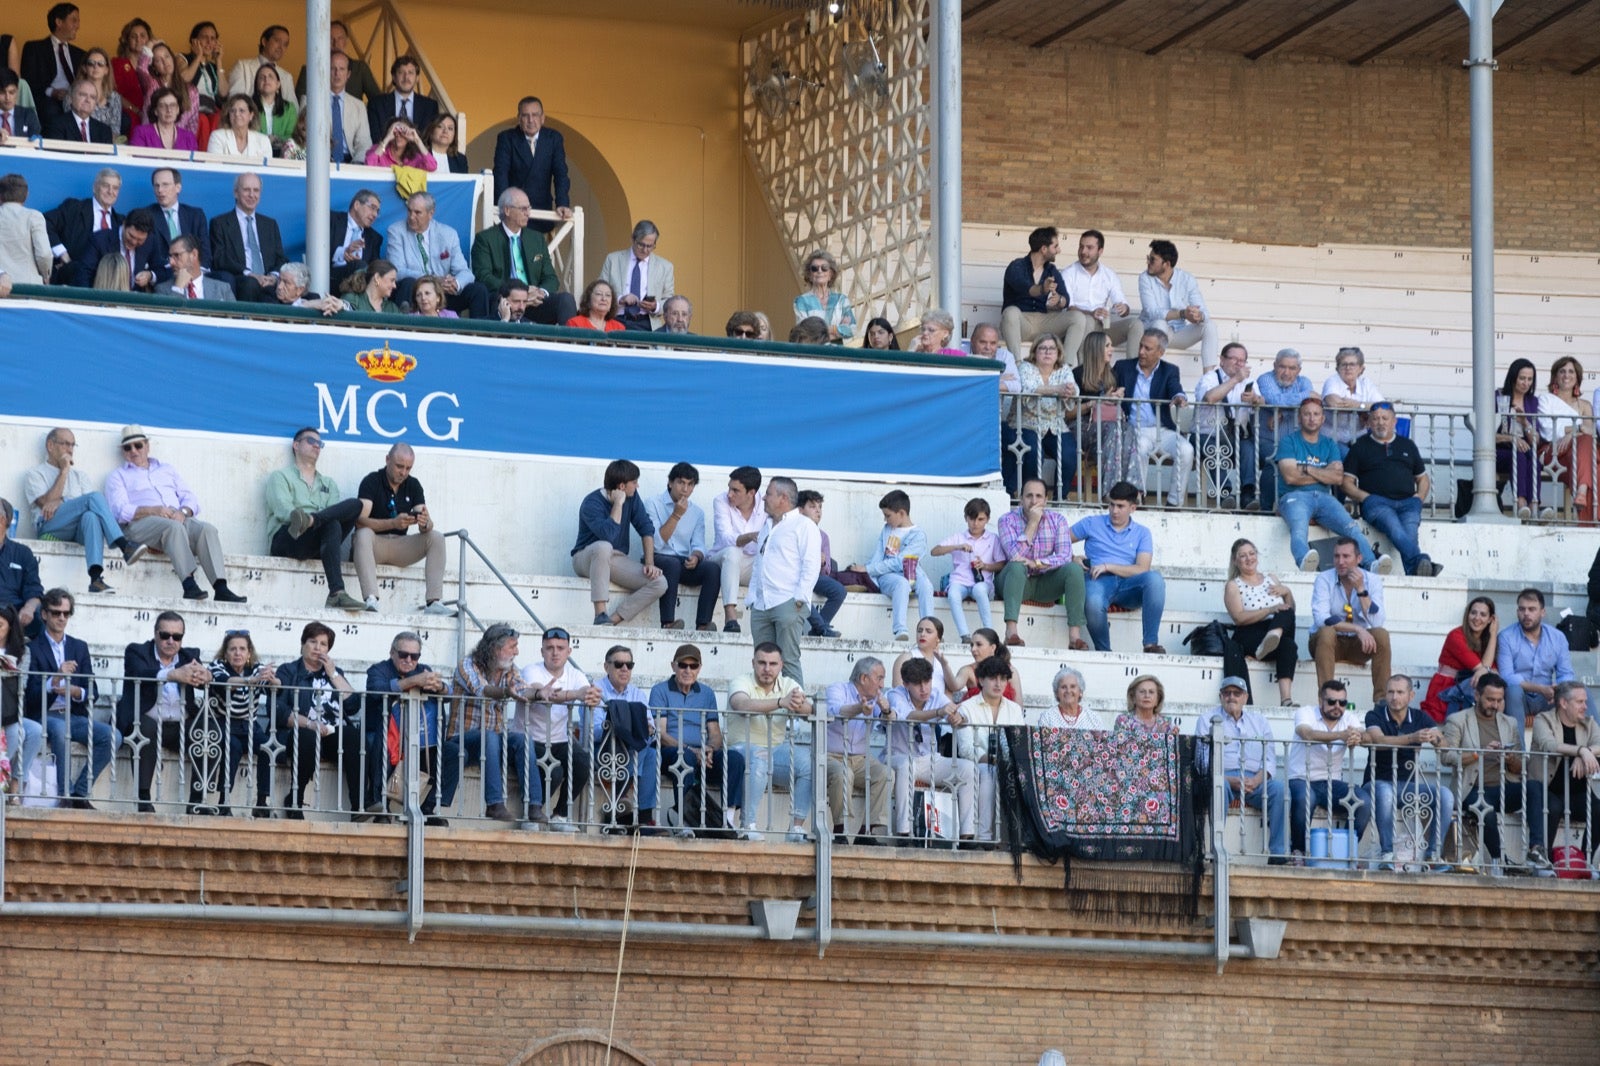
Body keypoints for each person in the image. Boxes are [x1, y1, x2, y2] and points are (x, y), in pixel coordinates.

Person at [104, 425, 247, 602]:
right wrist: (153, 510)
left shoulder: (166, 469)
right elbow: (119, 511)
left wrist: (183, 512)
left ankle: (221, 588)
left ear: (147, 446)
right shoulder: (117, 476)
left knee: (207, 529)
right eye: (128, 447)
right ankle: (189, 585)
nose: (133, 451)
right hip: (140, 523)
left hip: (174, 516)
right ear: (124, 452)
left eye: (138, 445)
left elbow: (190, 498)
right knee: (173, 528)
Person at [273, 620, 386, 821]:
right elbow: (279, 711)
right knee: (307, 736)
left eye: (323, 644)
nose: (318, 648)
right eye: (313, 642)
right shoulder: (288, 671)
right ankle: (295, 800)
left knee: (354, 737)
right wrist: (310, 723)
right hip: (301, 732)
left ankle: (359, 804)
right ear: (303, 644)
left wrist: (332, 674)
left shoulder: (335, 673)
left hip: (332, 734)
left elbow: (352, 705)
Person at [1441, 672, 1552, 873]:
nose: (1495, 705)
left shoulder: (1508, 722)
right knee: (1485, 807)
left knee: (1535, 788)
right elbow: (1447, 756)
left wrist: (1509, 759)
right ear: (1477, 696)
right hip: (1471, 789)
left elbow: (1521, 764)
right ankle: (1498, 861)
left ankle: (1536, 849)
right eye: (1490, 699)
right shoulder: (1457, 720)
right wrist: (1479, 754)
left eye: (1499, 700)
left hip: (1503, 787)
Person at [25, 588, 119, 807]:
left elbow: (91, 688)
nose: (61, 618)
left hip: (73, 714)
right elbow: (29, 694)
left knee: (113, 736)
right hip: (42, 715)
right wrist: (54, 681)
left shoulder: (79, 646)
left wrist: (78, 692)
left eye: (66, 613)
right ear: (44, 614)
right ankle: (65, 795)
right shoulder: (32, 648)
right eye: (56, 612)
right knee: (59, 730)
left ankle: (80, 793)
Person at [24, 426, 147, 594]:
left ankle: (95, 579)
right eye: (65, 444)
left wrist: (62, 501)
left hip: (77, 529)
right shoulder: (35, 474)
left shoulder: (80, 477)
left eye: (73, 445)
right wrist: (64, 470)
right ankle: (124, 545)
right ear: (50, 445)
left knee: (91, 516)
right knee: (93, 497)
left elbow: (91, 507)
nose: (70, 449)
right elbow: (46, 504)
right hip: (49, 526)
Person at [264, 427, 373, 611]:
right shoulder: (280, 476)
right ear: (296, 445)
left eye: (320, 443)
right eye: (311, 441)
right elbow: (283, 511)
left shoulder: (329, 484)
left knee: (355, 506)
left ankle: (336, 594)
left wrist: (313, 520)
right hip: (288, 537)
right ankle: (337, 592)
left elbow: (335, 514)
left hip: (317, 537)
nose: (317, 446)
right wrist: (301, 520)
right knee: (328, 523)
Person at [1275, 396, 1386, 573]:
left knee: (1352, 529)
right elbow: (1290, 477)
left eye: (1316, 414)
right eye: (1307, 414)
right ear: (1299, 418)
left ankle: (1371, 563)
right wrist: (1323, 473)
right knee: (1299, 530)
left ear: (1323, 418)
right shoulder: (1289, 441)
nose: (1312, 418)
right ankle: (1304, 560)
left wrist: (1306, 468)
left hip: (1325, 498)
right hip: (1295, 496)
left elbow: (1337, 478)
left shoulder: (1329, 444)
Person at [117, 611, 211, 813]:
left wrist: (206, 676)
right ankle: (143, 798)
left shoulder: (189, 656)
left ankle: (197, 801)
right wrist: (171, 674)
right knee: (146, 727)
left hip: (180, 724)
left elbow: (205, 682)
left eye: (177, 637)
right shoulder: (137, 651)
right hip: (147, 721)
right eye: (165, 635)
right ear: (155, 633)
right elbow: (139, 673)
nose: (171, 641)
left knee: (208, 732)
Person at [1195, 676, 1290, 863]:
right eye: (1227, 693)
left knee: (1280, 790)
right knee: (1218, 787)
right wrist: (1230, 780)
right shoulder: (1207, 720)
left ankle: (1278, 853)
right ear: (1221, 696)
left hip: (1254, 780)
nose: (1232, 697)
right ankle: (1217, 849)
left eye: (1236, 693)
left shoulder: (1260, 721)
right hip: (1222, 776)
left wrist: (1256, 780)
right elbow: (1202, 762)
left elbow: (1269, 760)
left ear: (1245, 697)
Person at [727, 642, 816, 842]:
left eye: (773, 664)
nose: (767, 669)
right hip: (740, 749)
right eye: (762, 663)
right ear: (753, 663)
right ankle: (747, 825)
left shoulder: (788, 685)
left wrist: (799, 705)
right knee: (760, 758)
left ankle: (795, 829)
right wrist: (780, 702)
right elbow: (741, 704)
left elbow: (809, 710)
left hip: (775, 750)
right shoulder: (741, 681)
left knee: (809, 765)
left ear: (781, 665)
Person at [652, 644, 744, 834]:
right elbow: (660, 734)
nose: (687, 670)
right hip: (672, 752)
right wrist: (692, 750)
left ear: (699, 668)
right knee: (685, 757)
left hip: (701, 754)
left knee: (734, 760)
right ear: (673, 666)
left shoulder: (707, 693)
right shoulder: (660, 690)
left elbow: (715, 732)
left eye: (693, 666)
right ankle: (686, 823)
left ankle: (727, 820)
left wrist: (710, 748)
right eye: (683, 665)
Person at [352, 443, 453, 615]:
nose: (403, 472)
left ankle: (434, 602)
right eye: (400, 466)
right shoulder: (372, 481)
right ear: (387, 459)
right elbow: (360, 522)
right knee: (362, 534)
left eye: (408, 468)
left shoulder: (413, 485)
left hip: (401, 546)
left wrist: (425, 522)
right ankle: (371, 598)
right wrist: (392, 523)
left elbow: (425, 524)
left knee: (436, 537)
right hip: (374, 545)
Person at [1365, 675, 1453, 870]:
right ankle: (1387, 854)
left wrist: (1435, 738)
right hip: (1376, 783)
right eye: (1390, 692)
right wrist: (1412, 737)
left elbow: (1445, 746)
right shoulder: (1375, 714)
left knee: (1444, 795)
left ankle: (1433, 855)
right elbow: (1378, 740)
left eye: (1400, 692)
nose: (1394, 697)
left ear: (1411, 695)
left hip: (1407, 787)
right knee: (1386, 792)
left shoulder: (1420, 716)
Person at [885, 656, 978, 845]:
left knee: (969, 768)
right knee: (905, 766)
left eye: (926, 681)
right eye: (917, 684)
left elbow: (957, 714)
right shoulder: (896, 694)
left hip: (929, 759)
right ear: (905, 684)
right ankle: (904, 833)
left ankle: (967, 835)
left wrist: (958, 718)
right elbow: (909, 716)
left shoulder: (935, 693)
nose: (924, 688)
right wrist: (939, 712)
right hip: (897, 756)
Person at [515, 627, 599, 830]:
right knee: (556, 770)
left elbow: (586, 692)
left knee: (583, 762)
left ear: (569, 651)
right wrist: (575, 694)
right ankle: (531, 815)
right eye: (549, 648)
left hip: (559, 738)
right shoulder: (531, 669)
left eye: (560, 648)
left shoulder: (575, 674)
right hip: (529, 738)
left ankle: (559, 815)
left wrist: (591, 694)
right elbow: (542, 692)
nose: (555, 652)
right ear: (541, 651)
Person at [1072, 481, 1168, 654]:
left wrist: (1108, 566)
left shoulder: (1142, 532)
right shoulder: (1092, 523)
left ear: (1133, 508)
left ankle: (1150, 644)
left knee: (1155, 580)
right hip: (1097, 580)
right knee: (1093, 602)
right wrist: (1072, 557)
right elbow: (1058, 540)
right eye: (1112, 505)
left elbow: (1142, 568)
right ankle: (1104, 652)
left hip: (1129, 584)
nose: (1114, 511)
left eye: (1120, 506)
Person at [1343, 401, 1437, 576]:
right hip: (1377, 504)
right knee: (1395, 528)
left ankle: (1415, 570)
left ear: (1394, 421)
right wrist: (1366, 497)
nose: (1380, 422)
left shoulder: (1407, 445)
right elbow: (1346, 482)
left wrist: (1419, 497)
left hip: (1409, 502)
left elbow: (1423, 478)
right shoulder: (1359, 447)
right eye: (1376, 419)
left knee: (1409, 534)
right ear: (1369, 423)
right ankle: (1422, 559)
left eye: (1385, 418)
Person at [441, 623, 524, 821]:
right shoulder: (467, 665)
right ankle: (495, 803)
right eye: (512, 647)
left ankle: (535, 806)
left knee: (521, 740)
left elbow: (522, 689)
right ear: (495, 649)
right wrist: (505, 692)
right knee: (489, 737)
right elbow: (482, 690)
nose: (517, 652)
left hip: (491, 743)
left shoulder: (510, 670)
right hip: (461, 739)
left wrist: (540, 693)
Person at [570, 459, 668, 626]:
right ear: (622, 486)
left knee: (660, 582)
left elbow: (646, 528)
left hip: (615, 558)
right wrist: (618, 503)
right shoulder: (591, 503)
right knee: (603, 546)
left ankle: (612, 620)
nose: (637, 486)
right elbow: (608, 535)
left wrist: (650, 563)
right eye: (634, 482)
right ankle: (600, 613)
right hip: (586, 558)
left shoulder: (633, 497)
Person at [364, 631, 447, 825]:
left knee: (450, 751)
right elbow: (377, 690)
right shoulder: (378, 670)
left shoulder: (424, 669)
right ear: (392, 652)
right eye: (403, 655)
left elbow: (448, 692)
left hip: (416, 734)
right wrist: (413, 682)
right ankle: (380, 807)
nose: (409, 660)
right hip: (382, 731)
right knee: (380, 742)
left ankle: (427, 809)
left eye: (414, 656)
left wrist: (440, 687)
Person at [996, 479, 1087, 650]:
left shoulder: (1057, 520)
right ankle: (1011, 632)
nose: (1034, 501)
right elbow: (1015, 556)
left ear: (1046, 500)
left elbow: (1065, 556)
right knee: (1017, 566)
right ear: (1020, 498)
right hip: (1015, 583)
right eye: (1029, 496)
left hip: (1045, 583)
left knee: (1074, 570)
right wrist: (1032, 523)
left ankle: (1074, 637)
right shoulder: (1006, 520)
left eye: (1039, 496)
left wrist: (1038, 563)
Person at [1286, 679, 1372, 860]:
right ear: (1320, 701)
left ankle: (1349, 851)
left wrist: (1359, 738)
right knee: (1303, 799)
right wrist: (1342, 735)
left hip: (1332, 782)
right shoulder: (1306, 712)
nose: (1337, 707)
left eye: (1342, 703)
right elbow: (1306, 734)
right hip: (1302, 778)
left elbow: (1368, 737)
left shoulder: (1348, 718)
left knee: (1363, 801)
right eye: (1331, 702)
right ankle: (1298, 852)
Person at [746, 476, 820, 684]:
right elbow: (758, 565)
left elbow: (811, 565)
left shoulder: (804, 525)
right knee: (762, 664)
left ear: (783, 498)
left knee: (788, 661)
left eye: (768, 494)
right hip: (761, 605)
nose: (763, 499)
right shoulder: (767, 527)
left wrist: (799, 598)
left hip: (788, 602)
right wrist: (753, 597)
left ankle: (795, 716)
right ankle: (765, 712)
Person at [1112, 330, 1194, 508]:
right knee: (1138, 448)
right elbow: (1108, 389)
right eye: (1141, 346)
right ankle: (1137, 499)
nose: (1141, 351)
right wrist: (1113, 394)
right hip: (1134, 428)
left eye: (1147, 348)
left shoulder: (1169, 370)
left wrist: (1180, 397)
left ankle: (1173, 503)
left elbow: (1175, 388)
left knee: (1186, 450)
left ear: (1160, 352)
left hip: (1162, 429)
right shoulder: (1123, 366)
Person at [470, 188, 576, 324]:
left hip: (535, 301)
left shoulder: (536, 239)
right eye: (523, 209)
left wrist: (541, 292)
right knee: (494, 300)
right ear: (507, 210)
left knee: (566, 299)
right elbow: (483, 276)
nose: (528, 213)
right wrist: (519, 294)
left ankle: (568, 344)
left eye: (529, 208)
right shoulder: (485, 239)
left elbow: (551, 277)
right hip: (505, 302)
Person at [641, 462, 722, 633]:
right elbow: (655, 542)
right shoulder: (652, 503)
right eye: (680, 482)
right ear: (670, 483)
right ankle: (668, 622)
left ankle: (703, 624)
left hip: (683, 562)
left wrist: (697, 556)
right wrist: (676, 515)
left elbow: (699, 544)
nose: (685, 489)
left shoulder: (697, 512)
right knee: (671, 564)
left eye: (690, 484)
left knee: (712, 569)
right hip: (657, 557)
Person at [1310, 537, 1391, 705]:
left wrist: (1361, 590)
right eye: (1336, 556)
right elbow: (1322, 619)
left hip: (1357, 646)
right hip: (1328, 643)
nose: (1340, 562)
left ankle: (1381, 701)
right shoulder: (1324, 579)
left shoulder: (1372, 580)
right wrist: (1358, 629)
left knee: (1381, 635)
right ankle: (1327, 699)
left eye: (1346, 556)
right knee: (1326, 632)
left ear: (1358, 559)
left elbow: (1377, 622)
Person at [205, 629, 278, 817]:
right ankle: (224, 802)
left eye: (242, 649)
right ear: (225, 652)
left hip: (249, 725)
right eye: (232, 649)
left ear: (249, 653)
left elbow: (271, 686)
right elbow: (225, 682)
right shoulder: (217, 666)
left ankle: (262, 802)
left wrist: (273, 680)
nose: (237, 653)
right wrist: (250, 680)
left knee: (268, 748)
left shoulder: (255, 668)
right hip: (222, 723)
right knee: (233, 747)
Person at [954, 655, 1027, 843]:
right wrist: (993, 759)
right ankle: (984, 837)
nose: (998, 683)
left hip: (1007, 764)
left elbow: (1018, 744)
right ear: (980, 680)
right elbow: (966, 750)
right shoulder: (966, 708)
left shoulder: (1014, 709)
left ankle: (1021, 839)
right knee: (988, 771)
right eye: (993, 678)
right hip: (978, 766)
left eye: (1003, 678)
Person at [592, 644, 663, 833]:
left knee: (652, 752)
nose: (624, 669)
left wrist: (640, 729)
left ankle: (641, 815)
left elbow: (651, 727)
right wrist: (625, 730)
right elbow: (596, 731)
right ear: (607, 667)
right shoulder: (596, 690)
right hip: (602, 749)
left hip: (630, 749)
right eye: (619, 664)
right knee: (639, 748)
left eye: (629, 665)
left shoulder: (638, 693)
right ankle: (624, 810)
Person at [386, 190, 489, 319]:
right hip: (416, 293)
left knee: (478, 290)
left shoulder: (448, 234)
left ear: (431, 213)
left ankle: (478, 336)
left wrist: (455, 284)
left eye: (417, 212)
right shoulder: (396, 231)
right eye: (409, 211)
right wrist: (433, 280)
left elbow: (465, 272)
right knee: (408, 282)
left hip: (442, 294)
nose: (411, 216)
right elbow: (397, 271)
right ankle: (403, 330)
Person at [825, 658, 893, 845]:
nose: (882, 684)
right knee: (843, 773)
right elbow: (835, 711)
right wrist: (859, 708)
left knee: (886, 774)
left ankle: (866, 832)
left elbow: (891, 722)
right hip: (831, 756)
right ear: (864, 678)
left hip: (861, 759)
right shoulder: (837, 689)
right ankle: (840, 830)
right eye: (879, 678)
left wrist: (886, 710)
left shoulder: (877, 698)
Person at [1223, 538, 1297, 706]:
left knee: (1287, 620)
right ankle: (1269, 640)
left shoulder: (1271, 578)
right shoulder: (1234, 585)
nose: (1249, 558)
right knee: (1286, 636)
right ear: (1235, 561)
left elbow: (1291, 609)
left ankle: (1286, 700)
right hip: (1251, 632)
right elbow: (1238, 618)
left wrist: (1287, 592)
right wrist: (1269, 610)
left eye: (1252, 553)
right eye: (1243, 556)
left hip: (1276, 628)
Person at [1531, 681, 1600, 854]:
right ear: (1563, 703)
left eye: (1585, 701)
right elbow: (1549, 745)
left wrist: (1583, 753)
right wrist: (1580, 751)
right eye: (1580, 702)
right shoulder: (1543, 719)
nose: (1585, 706)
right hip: (1548, 789)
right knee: (1552, 809)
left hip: (1577, 793)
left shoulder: (1589, 723)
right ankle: (1542, 860)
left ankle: (1585, 861)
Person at [1495, 587, 1575, 736]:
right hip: (1519, 698)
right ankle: (1518, 753)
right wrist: (1540, 689)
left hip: (1548, 699)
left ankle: (1593, 750)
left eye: (1532, 609)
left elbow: (1566, 673)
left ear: (1542, 612)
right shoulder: (1506, 637)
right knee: (1512, 690)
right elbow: (1507, 676)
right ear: (1517, 611)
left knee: (1580, 692)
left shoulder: (1557, 637)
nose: (1526, 614)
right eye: (1522, 609)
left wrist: (1557, 688)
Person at [1008, 334, 1081, 498]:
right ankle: (1027, 496)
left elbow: (1074, 389)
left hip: (1055, 424)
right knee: (1033, 453)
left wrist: (1070, 391)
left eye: (1052, 349)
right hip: (1027, 423)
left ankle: (1060, 498)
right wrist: (1057, 389)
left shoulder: (1064, 369)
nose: (1047, 352)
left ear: (1058, 353)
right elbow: (1028, 387)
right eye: (1042, 348)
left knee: (1069, 455)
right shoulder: (1026, 367)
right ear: (1035, 351)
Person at [1191, 342, 1257, 508]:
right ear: (1222, 360)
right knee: (1212, 447)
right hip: (1207, 434)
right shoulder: (1209, 378)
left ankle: (1248, 495)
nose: (1239, 364)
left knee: (1248, 448)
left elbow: (1261, 403)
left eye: (1242, 360)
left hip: (1235, 436)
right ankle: (1225, 493)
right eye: (1234, 359)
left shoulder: (1249, 382)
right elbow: (1210, 398)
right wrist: (1235, 380)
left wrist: (1255, 399)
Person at [1059, 228, 1137, 366]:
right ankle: (1084, 370)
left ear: (1100, 251)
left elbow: (1123, 305)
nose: (1083, 252)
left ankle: (1132, 372)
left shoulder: (1109, 275)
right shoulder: (1068, 273)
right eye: (1081, 247)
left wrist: (1123, 308)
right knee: (1087, 320)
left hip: (1102, 328)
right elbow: (1069, 308)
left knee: (1136, 324)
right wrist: (1091, 313)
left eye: (1089, 248)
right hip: (1078, 327)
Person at [492, 95, 570, 232]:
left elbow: (561, 174)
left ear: (543, 118)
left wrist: (562, 203)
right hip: (512, 211)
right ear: (519, 118)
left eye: (535, 115)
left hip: (541, 210)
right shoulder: (507, 138)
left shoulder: (553, 138)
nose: (530, 120)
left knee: (538, 252)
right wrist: (504, 206)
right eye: (525, 115)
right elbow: (500, 174)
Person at [931, 498, 1004, 644]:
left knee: (979, 590)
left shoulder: (993, 539)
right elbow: (934, 551)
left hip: (983, 582)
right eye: (971, 519)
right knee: (953, 594)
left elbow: (1002, 563)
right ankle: (964, 635)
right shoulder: (959, 537)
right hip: (960, 580)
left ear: (987, 519)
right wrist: (957, 547)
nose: (975, 523)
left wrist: (985, 566)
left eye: (980, 519)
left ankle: (989, 632)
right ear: (966, 518)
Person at [863, 489, 933, 642]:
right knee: (901, 584)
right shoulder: (887, 530)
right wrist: (867, 571)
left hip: (910, 572)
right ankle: (900, 629)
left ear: (901, 513)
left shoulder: (918, 536)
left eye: (888, 515)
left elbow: (902, 562)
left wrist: (870, 569)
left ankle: (931, 628)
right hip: (888, 576)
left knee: (926, 586)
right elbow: (878, 554)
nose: (885, 519)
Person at [1137, 239, 1218, 368]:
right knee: (1160, 323)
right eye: (1148, 258)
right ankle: (1152, 373)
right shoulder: (1144, 278)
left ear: (1166, 264)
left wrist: (1197, 315)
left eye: (1152, 260)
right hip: (1154, 330)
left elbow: (1204, 311)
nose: (1148, 263)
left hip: (1179, 332)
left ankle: (1209, 379)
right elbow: (1151, 312)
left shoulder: (1187, 279)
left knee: (1209, 326)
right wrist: (1182, 314)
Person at [1252, 349, 1314, 514]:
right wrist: (1303, 397)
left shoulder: (1304, 382)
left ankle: (1300, 507)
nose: (1286, 372)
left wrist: (1280, 411)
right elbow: (1274, 399)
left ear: (1299, 370)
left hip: (1296, 442)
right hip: (1267, 440)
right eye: (1282, 367)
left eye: (1292, 368)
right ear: (1274, 366)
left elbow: (1309, 404)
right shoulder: (1265, 379)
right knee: (1275, 459)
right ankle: (1265, 509)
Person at [209, 171, 285, 302]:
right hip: (242, 279)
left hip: (268, 281)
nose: (252, 195)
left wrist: (273, 276)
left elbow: (281, 258)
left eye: (256, 190)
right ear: (236, 193)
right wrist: (250, 274)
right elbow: (219, 258)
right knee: (251, 284)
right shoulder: (220, 223)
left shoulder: (270, 224)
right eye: (246, 190)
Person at [999, 226, 1071, 365]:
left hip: (1043, 321)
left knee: (1078, 318)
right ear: (1044, 249)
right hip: (1021, 322)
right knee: (1010, 312)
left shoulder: (1051, 270)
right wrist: (1043, 289)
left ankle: (1065, 366)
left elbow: (1066, 299)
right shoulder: (1017, 266)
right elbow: (1027, 289)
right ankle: (1017, 364)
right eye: (1055, 246)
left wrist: (1059, 300)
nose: (1059, 250)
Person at [1421, 596, 1498, 724]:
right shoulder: (1456, 636)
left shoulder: (1487, 641)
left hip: (1470, 686)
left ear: (1491, 619)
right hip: (1447, 686)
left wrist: (1493, 635)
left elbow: (1493, 672)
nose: (1477, 618)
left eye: (1483, 615)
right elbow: (1483, 669)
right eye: (1473, 613)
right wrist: (1494, 635)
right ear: (1467, 614)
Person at [1070, 329, 1127, 494]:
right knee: (1114, 430)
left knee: (1129, 430)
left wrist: (1117, 397)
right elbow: (1068, 413)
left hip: (1107, 431)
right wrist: (1095, 402)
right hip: (1082, 428)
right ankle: (1111, 493)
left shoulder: (1112, 375)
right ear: (1096, 349)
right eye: (1107, 346)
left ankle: (1134, 492)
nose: (1112, 349)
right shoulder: (1078, 374)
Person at [43, 167, 122, 285]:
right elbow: (44, 222)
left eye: (115, 188)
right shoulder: (74, 208)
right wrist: (62, 254)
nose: (110, 191)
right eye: (106, 185)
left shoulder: (121, 222)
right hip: (73, 278)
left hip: (107, 283)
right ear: (95, 187)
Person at [1495, 358, 1551, 519]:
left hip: (1524, 449)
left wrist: (1524, 421)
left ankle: (1534, 507)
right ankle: (1521, 505)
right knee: (1518, 454)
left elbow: (1535, 441)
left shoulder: (1532, 402)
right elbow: (1485, 434)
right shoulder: (1498, 396)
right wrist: (1512, 439)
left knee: (1533, 457)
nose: (1526, 383)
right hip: (1499, 450)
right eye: (1522, 378)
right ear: (1513, 377)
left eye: (1530, 379)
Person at [712, 465, 765, 633]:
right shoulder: (720, 501)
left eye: (735, 490)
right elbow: (725, 538)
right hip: (721, 560)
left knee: (774, 562)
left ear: (751, 493)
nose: (729, 494)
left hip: (752, 566)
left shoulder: (766, 505)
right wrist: (750, 536)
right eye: (729, 488)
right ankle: (730, 616)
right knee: (733, 552)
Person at [0, 605, 44, 798]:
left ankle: (16, 782)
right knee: (18, 731)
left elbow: (22, 687)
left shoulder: (21, 652)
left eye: (0, 625)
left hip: (7, 711)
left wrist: (9, 672)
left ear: (10, 627)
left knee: (35, 731)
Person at [600, 221, 675, 331]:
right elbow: (599, 291)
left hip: (648, 323)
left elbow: (670, 300)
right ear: (633, 239)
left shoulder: (665, 267)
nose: (645, 250)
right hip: (616, 319)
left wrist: (655, 306)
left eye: (650, 246)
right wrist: (621, 299)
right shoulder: (613, 260)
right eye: (641, 244)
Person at [21, 3, 87, 125]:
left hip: (76, 99)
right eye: (74, 20)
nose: (78, 25)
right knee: (51, 111)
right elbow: (28, 82)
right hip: (49, 99)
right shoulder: (34, 48)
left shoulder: (81, 54)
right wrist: (52, 92)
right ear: (59, 22)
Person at [143, 168, 211, 285]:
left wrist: (197, 274)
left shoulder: (195, 215)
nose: (160, 190)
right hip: (164, 272)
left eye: (165, 185)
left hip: (194, 272)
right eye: (156, 186)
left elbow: (204, 251)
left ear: (178, 187)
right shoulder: (146, 215)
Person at [1547, 355, 1595, 522]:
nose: (1566, 375)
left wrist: (1572, 433)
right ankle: (1589, 516)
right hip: (1555, 452)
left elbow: (1590, 431)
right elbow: (1548, 429)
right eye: (1562, 371)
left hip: (1578, 453)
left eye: (1571, 372)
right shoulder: (1547, 401)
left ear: (1577, 378)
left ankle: (1582, 497)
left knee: (1587, 445)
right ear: (1555, 377)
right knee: (1593, 465)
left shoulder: (1585, 405)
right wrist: (1576, 429)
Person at [796, 490, 844, 638]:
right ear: (800, 510)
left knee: (839, 590)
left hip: (815, 576)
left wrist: (822, 563)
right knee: (802, 589)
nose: (818, 511)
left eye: (820, 507)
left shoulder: (823, 536)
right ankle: (822, 628)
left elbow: (827, 571)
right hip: (795, 576)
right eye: (812, 506)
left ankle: (817, 629)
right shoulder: (793, 530)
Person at [293, 21, 380, 103]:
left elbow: (377, 100)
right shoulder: (309, 71)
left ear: (346, 41)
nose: (335, 43)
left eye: (340, 38)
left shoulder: (360, 69)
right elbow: (299, 104)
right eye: (330, 39)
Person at [1320, 346, 1383, 453]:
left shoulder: (1366, 383)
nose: (1348, 368)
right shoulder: (1332, 381)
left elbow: (1382, 406)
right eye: (1344, 364)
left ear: (1361, 369)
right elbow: (1335, 403)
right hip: (1332, 439)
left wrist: (1358, 406)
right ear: (1337, 368)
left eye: (1352, 364)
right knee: (1350, 459)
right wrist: (1364, 409)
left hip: (1358, 439)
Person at [79, 207, 157, 291]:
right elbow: (83, 274)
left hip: (134, 301)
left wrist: (150, 275)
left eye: (140, 240)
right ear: (124, 224)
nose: (134, 242)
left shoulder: (150, 241)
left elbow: (162, 269)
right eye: (131, 236)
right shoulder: (100, 240)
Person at [134, 41, 197, 140]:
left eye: (167, 56)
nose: (165, 62)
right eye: (158, 60)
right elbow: (141, 68)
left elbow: (192, 124)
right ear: (154, 67)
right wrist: (150, 44)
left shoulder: (191, 91)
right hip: (151, 139)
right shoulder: (152, 84)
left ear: (173, 58)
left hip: (178, 141)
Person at [793, 249, 855, 342]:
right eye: (814, 268)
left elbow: (851, 329)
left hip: (836, 354)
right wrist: (837, 329)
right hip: (813, 354)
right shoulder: (801, 301)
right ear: (809, 274)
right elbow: (805, 333)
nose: (819, 271)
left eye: (824, 268)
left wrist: (820, 333)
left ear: (830, 274)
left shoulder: (841, 300)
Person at [0, 499, 43, 635]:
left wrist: (29, 608)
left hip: (13, 612)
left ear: (2, 520)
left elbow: (34, 590)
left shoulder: (23, 553)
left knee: (39, 617)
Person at [322, 51, 373, 164]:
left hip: (352, 162)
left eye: (342, 69)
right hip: (320, 163)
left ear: (348, 74)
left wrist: (355, 167)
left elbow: (364, 143)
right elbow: (302, 140)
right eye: (332, 68)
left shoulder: (358, 106)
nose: (337, 73)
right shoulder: (310, 102)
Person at [367, 54, 437, 135]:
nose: (406, 77)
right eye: (401, 72)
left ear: (417, 78)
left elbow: (429, 139)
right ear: (394, 77)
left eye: (410, 73)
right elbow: (375, 138)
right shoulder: (377, 104)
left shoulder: (430, 106)